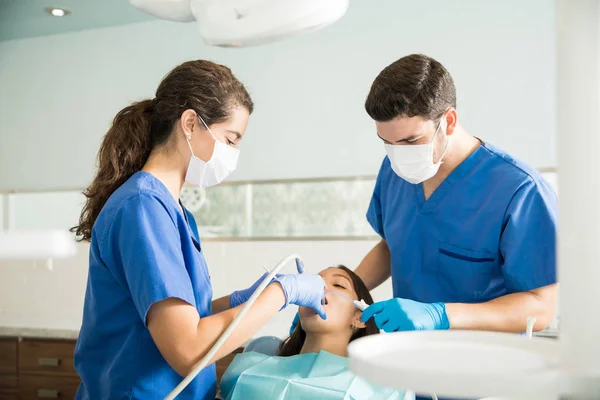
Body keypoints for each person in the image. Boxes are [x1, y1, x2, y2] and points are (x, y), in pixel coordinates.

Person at [72, 60, 328, 400]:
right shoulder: (143, 207)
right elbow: (187, 348)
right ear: (191, 122)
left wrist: (237, 302)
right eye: (230, 139)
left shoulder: (173, 210)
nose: (233, 154)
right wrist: (282, 292)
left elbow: (181, 318)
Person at [355, 53, 558, 337]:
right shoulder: (393, 171)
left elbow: (541, 308)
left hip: (483, 360)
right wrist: (343, 288)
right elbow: (395, 246)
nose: (399, 154)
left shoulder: (520, 190)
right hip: (408, 353)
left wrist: (441, 315)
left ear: (448, 121)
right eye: (387, 143)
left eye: (411, 141)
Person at [219, 266, 409, 400]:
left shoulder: (379, 388)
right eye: (314, 282)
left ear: (359, 317)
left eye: (339, 286)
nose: (320, 289)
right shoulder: (251, 367)